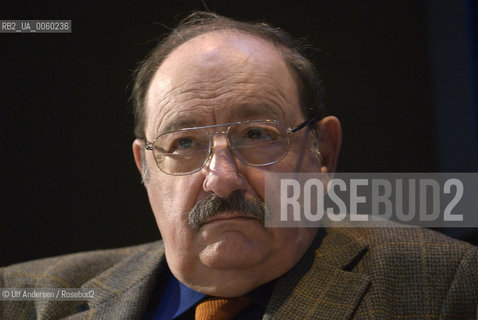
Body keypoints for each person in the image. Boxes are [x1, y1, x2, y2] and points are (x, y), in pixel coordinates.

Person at [1, 11, 477, 319]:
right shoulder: (21, 298)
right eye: (184, 142)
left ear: (323, 153)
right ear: (144, 166)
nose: (221, 179)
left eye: (256, 135)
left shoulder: (440, 287)